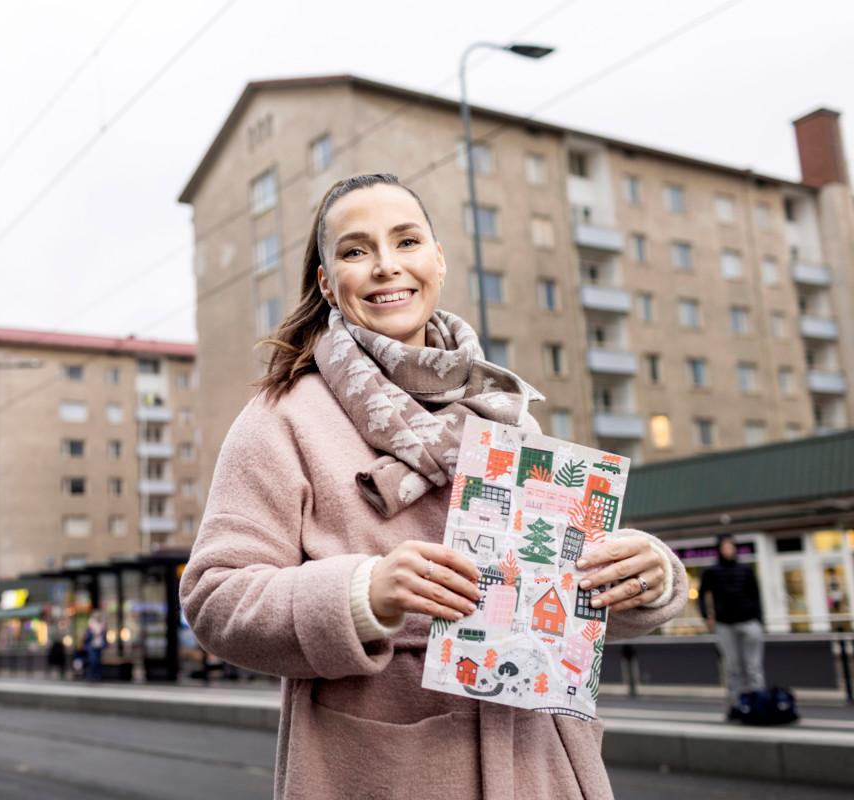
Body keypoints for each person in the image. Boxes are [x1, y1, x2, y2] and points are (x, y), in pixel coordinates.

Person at [180, 173, 688, 799]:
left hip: (540, 764)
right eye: (355, 251)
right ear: (327, 283)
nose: (386, 267)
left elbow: (553, 594)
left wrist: (642, 577)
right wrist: (365, 594)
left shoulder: (505, 409)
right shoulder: (282, 416)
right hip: (386, 770)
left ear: (438, 260)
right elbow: (214, 597)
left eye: (407, 241)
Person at [697, 533, 765, 716]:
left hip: (749, 621)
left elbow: (756, 595)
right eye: (725, 546)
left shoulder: (745, 570)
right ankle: (736, 704)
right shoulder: (711, 571)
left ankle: (757, 703)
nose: (729, 550)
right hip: (725, 624)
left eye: (731, 546)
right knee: (732, 667)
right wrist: (706, 616)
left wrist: (759, 621)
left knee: (753, 666)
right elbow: (702, 595)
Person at [84, 610, 107, 683]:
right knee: (92, 661)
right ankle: (91, 675)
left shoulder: (102, 625)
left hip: (99, 645)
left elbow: (104, 636)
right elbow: (87, 636)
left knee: (98, 661)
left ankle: (98, 676)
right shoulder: (90, 625)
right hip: (92, 646)